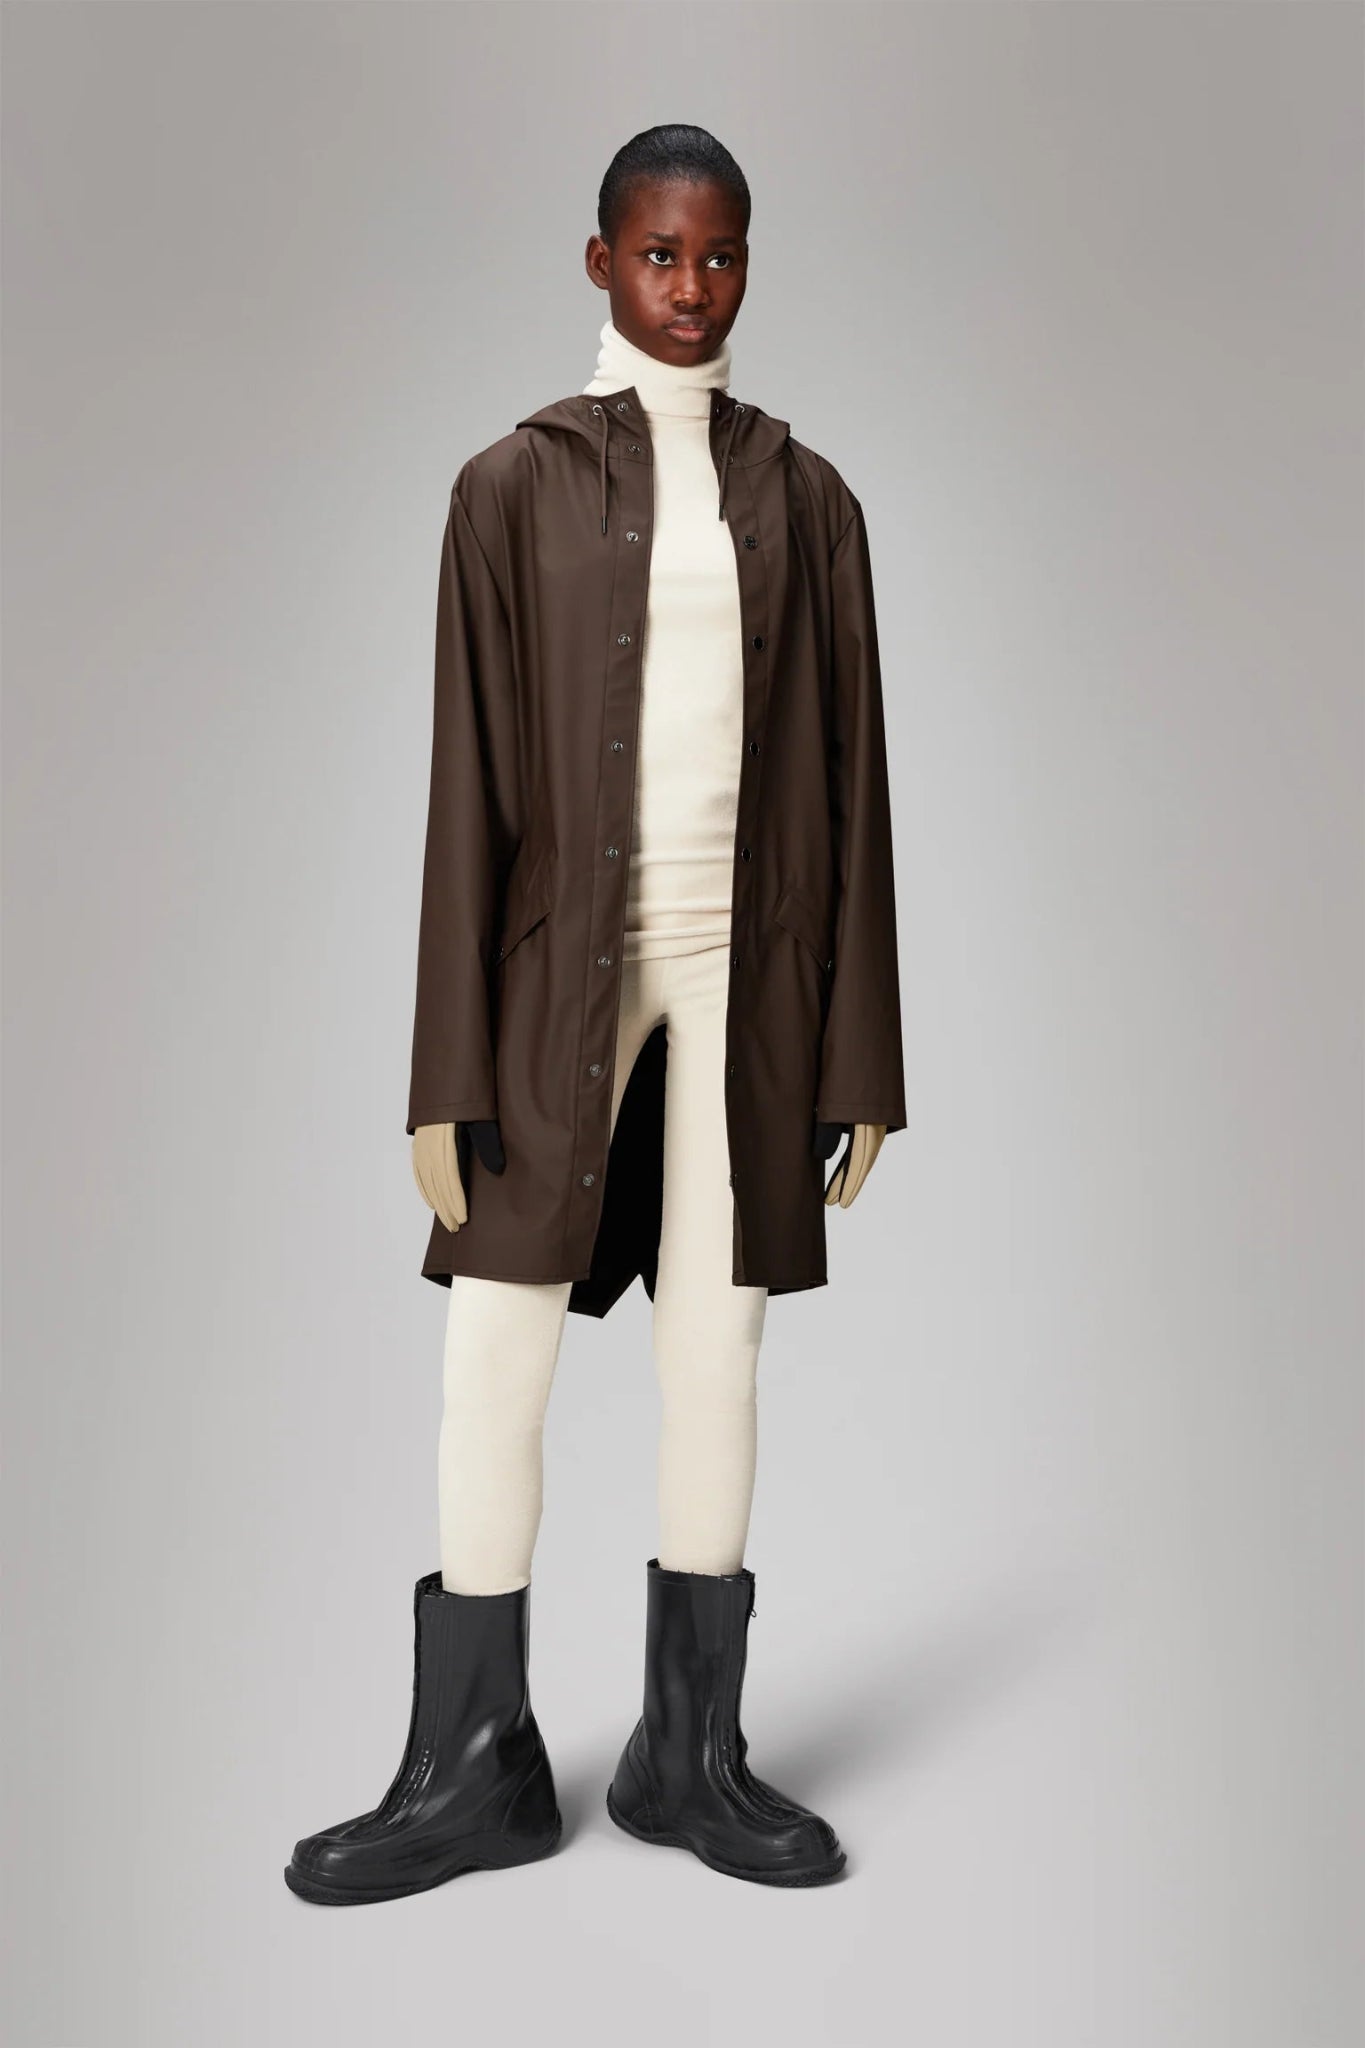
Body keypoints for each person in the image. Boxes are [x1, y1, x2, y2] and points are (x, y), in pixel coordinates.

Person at [284, 123, 905, 1904]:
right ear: (597, 261)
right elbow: (463, 793)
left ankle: (685, 1759)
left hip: (749, 980)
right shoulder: (510, 487)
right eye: (657, 254)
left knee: (718, 1349)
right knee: (496, 1351)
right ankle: (470, 1767)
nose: (690, 287)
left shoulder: (809, 499)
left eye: (719, 256)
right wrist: (441, 1070)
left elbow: (857, 787)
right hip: (556, 980)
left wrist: (860, 1055)